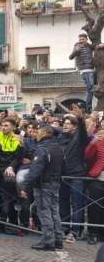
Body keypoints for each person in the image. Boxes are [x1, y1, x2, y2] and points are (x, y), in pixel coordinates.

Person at [20, 125, 65, 251]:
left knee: (44, 212)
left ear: (45, 133)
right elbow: (63, 167)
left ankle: (48, 241)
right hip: (55, 183)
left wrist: (24, 187)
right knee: (54, 212)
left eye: (39, 131)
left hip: (43, 184)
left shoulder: (42, 149)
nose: (36, 134)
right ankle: (58, 240)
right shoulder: (59, 148)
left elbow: (34, 171)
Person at [0, 118, 23, 233]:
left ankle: (4, 223)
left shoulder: (18, 139)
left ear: (13, 127)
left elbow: (18, 157)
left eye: (6, 125)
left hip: (7, 171)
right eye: (2, 125)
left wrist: (11, 166)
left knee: (6, 199)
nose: (3, 127)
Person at [58, 104, 88, 243]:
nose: (65, 125)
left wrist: (81, 119)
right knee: (63, 203)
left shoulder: (79, 137)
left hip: (76, 175)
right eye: (64, 123)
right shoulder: (60, 138)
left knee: (77, 204)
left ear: (75, 127)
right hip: (62, 176)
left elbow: (83, 131)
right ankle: (64, 228)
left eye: (69, 124)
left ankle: (76, 231)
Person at [84, 129, 104, 245]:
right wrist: (93, 142)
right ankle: (93, 232)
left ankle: (102, 233)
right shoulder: (98, 141)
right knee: (94, 207)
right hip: (97, 179)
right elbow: (87, 155)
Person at [70, 33, 95, 112]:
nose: (81, 41)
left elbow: (96, 47)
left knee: (92, 88)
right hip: (84, 70)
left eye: (82, 39)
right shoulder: (76, 46)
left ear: (86, 39)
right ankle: (88, 107)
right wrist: (77, 50)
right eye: (80, 39)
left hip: (92, 69)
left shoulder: (89, 46)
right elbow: (70, 57)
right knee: (90, 88)